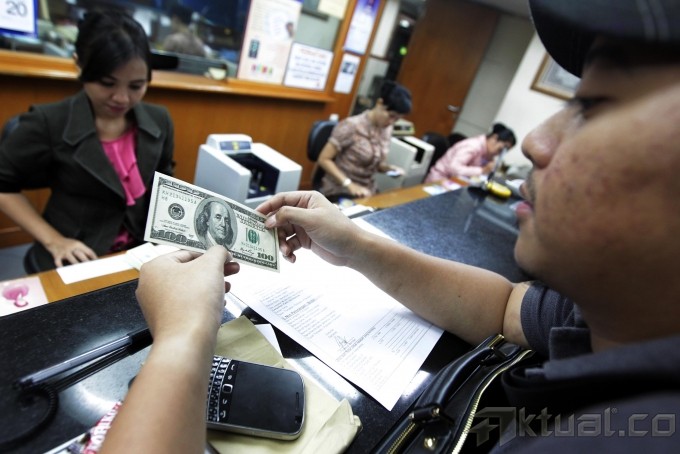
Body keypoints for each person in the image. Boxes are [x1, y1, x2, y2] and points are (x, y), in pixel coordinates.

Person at [100, 0, 680, 451]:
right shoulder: (612, 318)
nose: (535, 141)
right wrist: (356, 245)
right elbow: (507, 306)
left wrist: (183, 337)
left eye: (594, 103)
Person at [0, 10, 175, 272]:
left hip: (140, 252)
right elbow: (3, 186)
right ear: (79, 65)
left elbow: (164, 182)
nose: (122, 98)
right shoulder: (49, 121)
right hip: (79, 253)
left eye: (136, 86)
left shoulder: (160, 120)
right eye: (107, 83)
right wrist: (54, 240)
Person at [317, 80, 412, 200]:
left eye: (397, 119)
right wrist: (349, 184)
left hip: (367, 189)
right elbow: (324, 159)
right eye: (391, 116)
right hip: (341, 187)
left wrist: (389, 169)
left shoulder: (386, 129)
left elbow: (375, 164)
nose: (392, 122)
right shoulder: (351, 125)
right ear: (379, 103)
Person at [425, 123, 516, 183]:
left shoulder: (488, 151)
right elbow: (454, 169)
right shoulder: (473, 146)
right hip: (439, 180)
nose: (499, 153)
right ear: (494, 138)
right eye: (501, 149)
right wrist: (482, 170)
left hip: (455, 181)